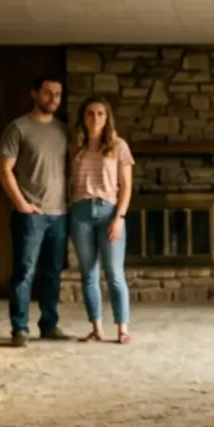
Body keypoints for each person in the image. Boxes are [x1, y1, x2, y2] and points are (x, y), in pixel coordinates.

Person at [0, 74, 71, 346]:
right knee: (24, 272)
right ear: (34, 94)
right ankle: (20, 329)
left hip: (60, 214)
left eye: (58, 94)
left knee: (53, 273)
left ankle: (49, 325)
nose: (53, 99)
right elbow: (4, 169)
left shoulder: (64, 131)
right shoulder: (19, 128)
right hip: (30, 215)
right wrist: (22, 204)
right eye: (48, 93)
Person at [67, 96, 135, 344]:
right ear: (83, 118)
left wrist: (119, 217)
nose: (95, 118)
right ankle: (96, 327)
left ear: (107, 118)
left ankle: (122, 328)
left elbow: (126, 186)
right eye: (90, 113)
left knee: (114, 273)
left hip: (109, 212)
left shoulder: (118, 145)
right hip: (81, 213)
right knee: (88, 274)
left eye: (100, 113)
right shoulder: (75, 146)